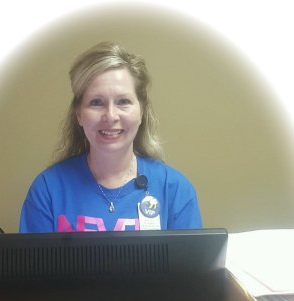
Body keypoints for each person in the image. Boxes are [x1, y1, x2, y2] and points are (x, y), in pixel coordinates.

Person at [19, 42, 202, 233]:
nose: (111, 116)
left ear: (142, 111)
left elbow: (190, 254)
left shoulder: (175, 191)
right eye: (96, 102)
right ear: (79, 114)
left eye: (123, 101)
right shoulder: (48, 191)